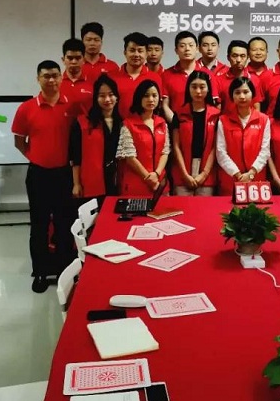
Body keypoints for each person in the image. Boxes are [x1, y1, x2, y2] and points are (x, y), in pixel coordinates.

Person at [12, 60, 75, 293]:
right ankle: (39, 272)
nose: (51, 80)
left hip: (64, 175)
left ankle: (63, 272)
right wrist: (36, 156)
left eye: (55, 75)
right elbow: (19, 141)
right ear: (38, 79)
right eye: (46, 76)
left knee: (63, 225)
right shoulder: (26, 108)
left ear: (61, 77)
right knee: (38, 226)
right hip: (38, 174)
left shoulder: (71, 106)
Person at [70, 74, 122, 208]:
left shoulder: (122, 123)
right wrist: (76, 184)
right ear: (95, 98)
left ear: (117, 97)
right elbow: (76, 157)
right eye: (102, 96)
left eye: (111, 95)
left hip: (117, 181)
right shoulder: (83, 123)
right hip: (92, 181)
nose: (107, 99)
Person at [216, 77, 271, 196]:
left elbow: (265, 151)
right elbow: (220, 152)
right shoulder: (223, 120)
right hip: (230, 179)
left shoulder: (263, 120)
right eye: (237, 92)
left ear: (253, 94)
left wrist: (251, 173)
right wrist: (237, 174)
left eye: (246, 92)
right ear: (232, 96)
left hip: (256, 180)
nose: (242, 96)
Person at [116, 79, 170, 197]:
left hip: (160, 184)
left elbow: (165, 152)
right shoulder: (128, 124)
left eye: (154, 95)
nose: (151, 99)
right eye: (146, 96)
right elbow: (130, 157)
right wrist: (149, 178)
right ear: (139, 98)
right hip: (136, 184)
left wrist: (157, 174)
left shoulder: (162, 123)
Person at [171, 71, 219, 196]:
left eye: (202, 87)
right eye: (194, 87)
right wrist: (184, 174)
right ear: (188, 88)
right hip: (183, 171)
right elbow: (176, 146)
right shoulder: (179, 113)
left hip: (207, 172)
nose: (198, 91)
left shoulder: (216, 115)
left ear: (208, 89)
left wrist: (204, 174)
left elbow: (215, 147)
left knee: (203, 207)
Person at [113, 32, 163, 117]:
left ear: (146, 54)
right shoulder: (111, 77)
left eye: (140, 51)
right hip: (118, 123)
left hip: (145, 124)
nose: (136, 55)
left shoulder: (155, 78)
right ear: (125, 52)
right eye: (132, 50)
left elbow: (157, 107)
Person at [162, 31, 205, 123]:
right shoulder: (167, 74)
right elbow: (165, 105)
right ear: (176, 50)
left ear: (197, 49)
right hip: (175, 126)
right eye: (182, 46)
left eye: (191, 45)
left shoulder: (207, 74)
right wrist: (176, 124)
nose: (187, 49)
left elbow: (213, 106)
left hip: (202, 125)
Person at [216, 39, 264, 112]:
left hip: (248, 119)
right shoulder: (218, 80)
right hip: (227, 119)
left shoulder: (255, 80)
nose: (238, 60)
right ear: (228, 57)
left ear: (248, 57)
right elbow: (217, 109)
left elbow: (256, 108)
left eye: (242, 56)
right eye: (235, 56)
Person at [60, 38, 93, 116]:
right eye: (70, 58)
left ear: (84, 59)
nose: (74, 61)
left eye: (78, 58)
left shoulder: (93, 83)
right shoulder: (55, 84)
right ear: (63, 60)